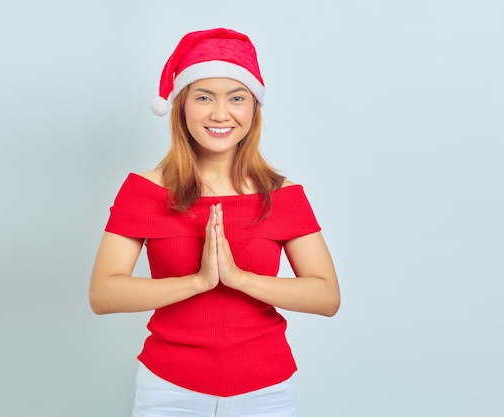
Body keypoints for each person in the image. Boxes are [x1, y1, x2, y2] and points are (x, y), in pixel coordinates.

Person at [89, 27, 340, 417]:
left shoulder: (282, 194)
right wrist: (198, 282)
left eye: (236, 98)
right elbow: (104, 295)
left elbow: (327, 297)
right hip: (168, 390)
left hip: (267, 391)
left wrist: (238, 278)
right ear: (182, 106)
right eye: (204, 97)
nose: (220, 113)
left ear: (253, 109)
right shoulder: (144, 191)